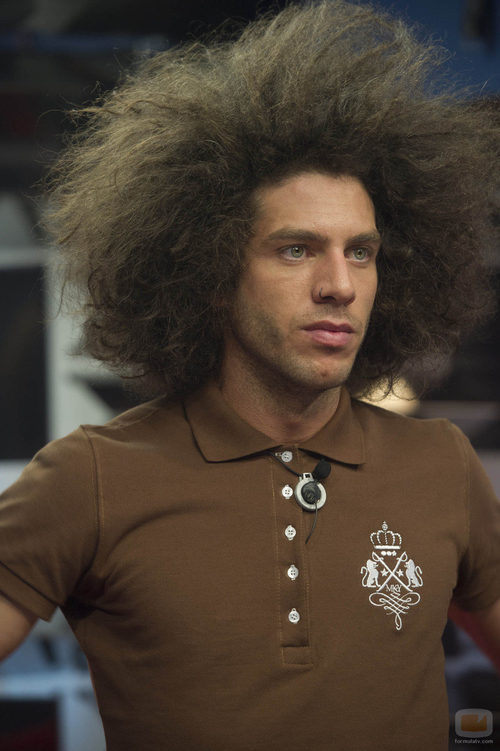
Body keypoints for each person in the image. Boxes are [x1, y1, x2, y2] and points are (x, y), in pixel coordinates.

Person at [1, 1, 499, 749]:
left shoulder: (442, 466)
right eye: (297, 250)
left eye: (361, 252)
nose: (340, 285)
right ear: (209, 273)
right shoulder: (90, 479)